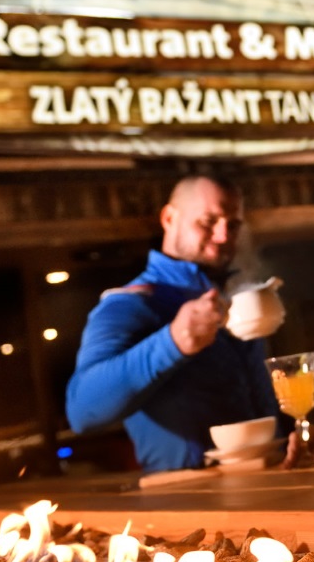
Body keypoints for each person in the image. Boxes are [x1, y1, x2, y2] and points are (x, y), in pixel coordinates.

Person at [65, 174, 283, 472]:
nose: (223, 236)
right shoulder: (129, 303)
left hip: (273, 482)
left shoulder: (236, 296)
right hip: (190, 499)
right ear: (169, 218)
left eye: (232, 225)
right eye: (208, 222)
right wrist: (173, 341)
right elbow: (81, 413)